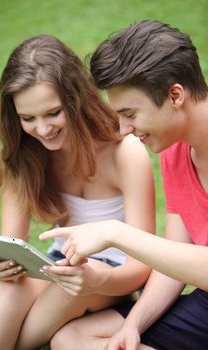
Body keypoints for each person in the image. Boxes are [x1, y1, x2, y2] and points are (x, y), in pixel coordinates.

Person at [0, 34, 155, 349]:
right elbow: (12, 245)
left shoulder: (124, 151)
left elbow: (142, 266)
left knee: (63, 288)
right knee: (12, 289)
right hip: (58, 264)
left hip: (113, 276)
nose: (43, 130)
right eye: (27, 118)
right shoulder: (25, 154)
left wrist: (96, 279)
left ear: (76, 98)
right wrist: (1, 263)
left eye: (53, 113)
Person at [40, 20, 208, 350]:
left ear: (174, 95)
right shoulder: (174, 149)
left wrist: (117, 233)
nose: (122, 129)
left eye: (130, 113)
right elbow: (173, 263)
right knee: (73, 339)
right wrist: (133, 326)